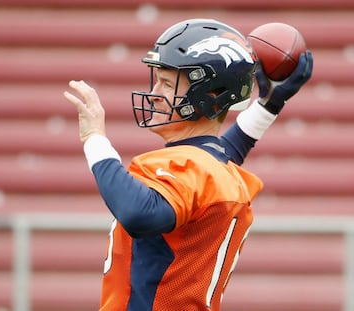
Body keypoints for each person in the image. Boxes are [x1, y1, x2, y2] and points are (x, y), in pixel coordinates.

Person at [64, 18, 312, 311]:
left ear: (209, 96)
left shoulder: (190, 166)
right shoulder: (213, 167)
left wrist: (94, 139)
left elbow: (139, 213)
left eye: (167, 83)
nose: (155, 93)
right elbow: (223, 152)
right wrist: (268, 106)